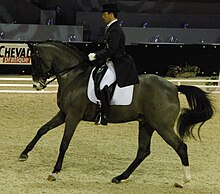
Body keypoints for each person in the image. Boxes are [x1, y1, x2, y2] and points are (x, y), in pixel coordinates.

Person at [88, 3, 139, 125]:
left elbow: (112, 50)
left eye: (104, 14)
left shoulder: (115, 28)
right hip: (111, 61)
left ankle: (104, 115)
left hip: (118, 63)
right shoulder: (111, 27)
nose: (102, 17)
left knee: (103, 84)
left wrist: (96, 55)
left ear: (111, 14)